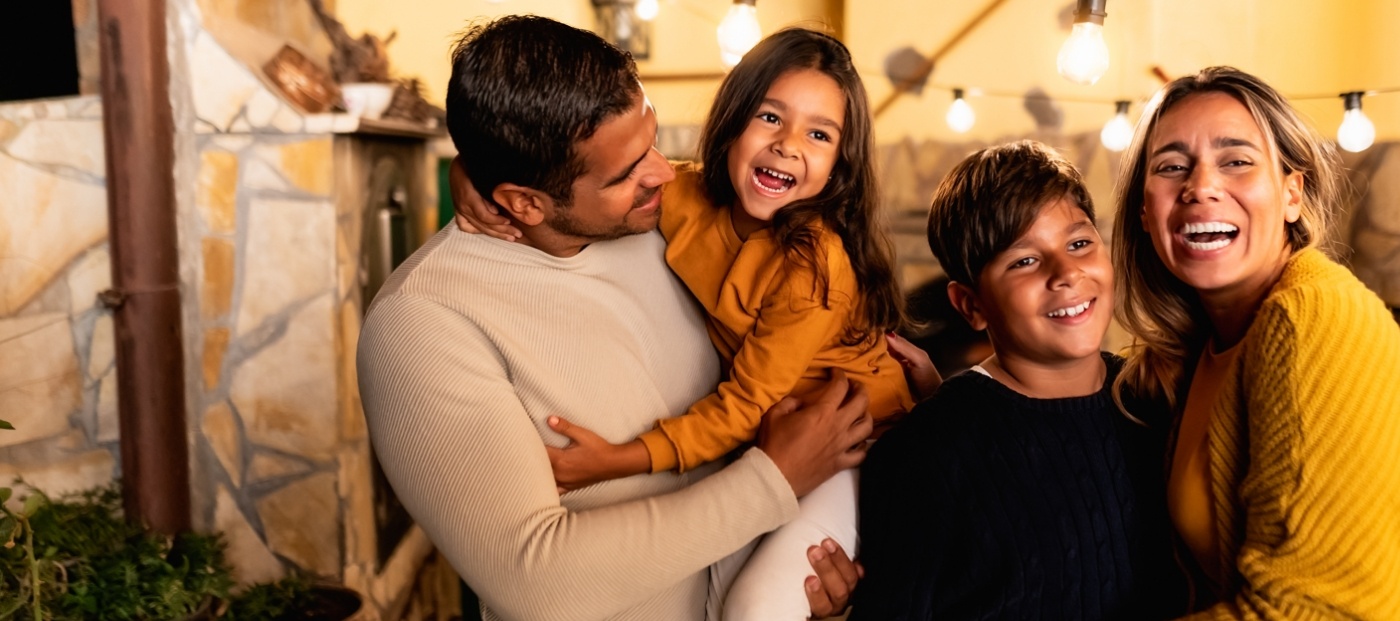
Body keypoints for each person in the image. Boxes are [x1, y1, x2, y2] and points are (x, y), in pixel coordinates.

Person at [356, 16, 869, 621]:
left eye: (651, 142)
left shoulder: (657, 223)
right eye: (626, 172)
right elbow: (537, 584)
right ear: (522, 202)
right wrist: (772, 483)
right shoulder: (421, 325)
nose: (661, 171)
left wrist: (809, 583)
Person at [513, 28, 917, 621]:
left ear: (838, 166)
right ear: (733, 121)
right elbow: (577, 183)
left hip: (861, 446)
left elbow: (747, 402)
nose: (787, 145)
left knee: (754, 610)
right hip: (784, 440)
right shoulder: (686, 196)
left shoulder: (814, 263)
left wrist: (616, 459)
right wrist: (473, 176)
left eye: (819, 134)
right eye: (770, 117)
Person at [1110, 66, 1400, 618]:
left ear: (1293, 193)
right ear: (1146, 214)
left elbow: (1316, 611)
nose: (1200, 187)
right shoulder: (1204, 347)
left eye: (1236, 160)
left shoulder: (1310, 318)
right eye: (1172, 167)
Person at [851, 140, 1181, 619]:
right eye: (1024, 260)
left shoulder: (1155, 399)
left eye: (1079, 243)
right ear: (971, 305)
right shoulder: (927, 453)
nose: (1066, 273)